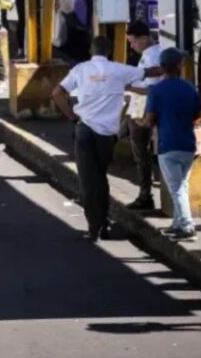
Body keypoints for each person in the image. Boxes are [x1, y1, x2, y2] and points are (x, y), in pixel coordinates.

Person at [52, 35, 145, 242]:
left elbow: (57, 93)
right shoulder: (119, 70)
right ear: (110, 50)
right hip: (106, 135)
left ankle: (95, 226)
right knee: (100, 177)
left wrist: (72, 117)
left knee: (88, 180)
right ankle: (102, 223)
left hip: (84, 129)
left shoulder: (80, 70)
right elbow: (147, 72)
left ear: (90, 51)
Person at [146, 47, 201, 240]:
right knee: (182, 185)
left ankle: (187, 226)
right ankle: (178, 223)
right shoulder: (190, 88)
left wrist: (141, 123)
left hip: (167, 145)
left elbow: (150, 119)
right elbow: (197, 116)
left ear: (162, 67)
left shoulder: (157, 91)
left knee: (176, 188)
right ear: (179, 66)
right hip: (188, 144)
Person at [122, 20, 163, 210]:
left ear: (145, 38)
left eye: (133, 42)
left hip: (144, 107)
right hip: (139, 104)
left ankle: (145, 194)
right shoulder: (149, 54)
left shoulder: (153, 56)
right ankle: (145, 192)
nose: (132, 46)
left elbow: (153, 89)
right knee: (138, 148)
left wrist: (130, 88)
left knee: (140, 152)